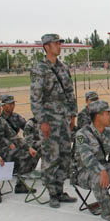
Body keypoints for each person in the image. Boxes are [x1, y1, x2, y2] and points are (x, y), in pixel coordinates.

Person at [30, 33, 78, 208]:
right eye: (56, 43)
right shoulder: (39, 69)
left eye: (59, 43)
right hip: (49, 121)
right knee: (51, 156)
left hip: (64, 119)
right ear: (46, 47)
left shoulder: (63, 68)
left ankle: (60, 190)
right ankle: (52, 193)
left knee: (65, 156)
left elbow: (70, 93)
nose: (59, 46)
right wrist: (42, 122)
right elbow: (35, 99)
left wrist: (73, 115)